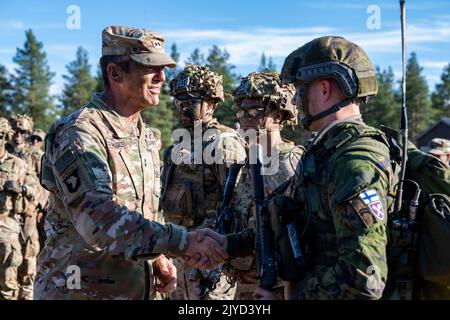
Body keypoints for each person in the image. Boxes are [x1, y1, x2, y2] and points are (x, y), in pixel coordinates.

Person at [35, 26, 227, 300]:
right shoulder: (81, 132)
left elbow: (145, 209)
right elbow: (99, 220)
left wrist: (159, 256)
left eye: (163, 69)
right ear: (115, 73)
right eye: (151, 68)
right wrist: (181, 242)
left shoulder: (145, 135)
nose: (162, 77)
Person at [202, 36, 397, 300]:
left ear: (325, 89)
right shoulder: (324, 154)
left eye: (300, 90)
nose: (294, 101)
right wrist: (229, 244)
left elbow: (364, 277)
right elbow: (284, 225)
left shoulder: (355, 162)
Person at [161, 64, 246, 300]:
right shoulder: (177, 146)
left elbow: (239, 205)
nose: (182, 107)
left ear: (210, 103)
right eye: (178, 100)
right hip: (180, 254)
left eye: (190, 101)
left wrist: (225, 252)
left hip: (212, 260)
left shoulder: (224, 143)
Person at [224, 71, 302, 299]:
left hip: (278, 289)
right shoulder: (245, 164)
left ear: (278, 114)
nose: (245, 117)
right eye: (242, 111)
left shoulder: (292, 163)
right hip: (244, 286)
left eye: (254, 111)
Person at [0, 117, 38, 300]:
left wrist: (22, 189)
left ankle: (25, 293)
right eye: (16, 131)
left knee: (24, 258)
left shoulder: (26, 161)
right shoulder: (10, 155)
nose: (19, 135)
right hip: (9, 221)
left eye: (23, 132)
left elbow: (39, 189)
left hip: (20, 219)